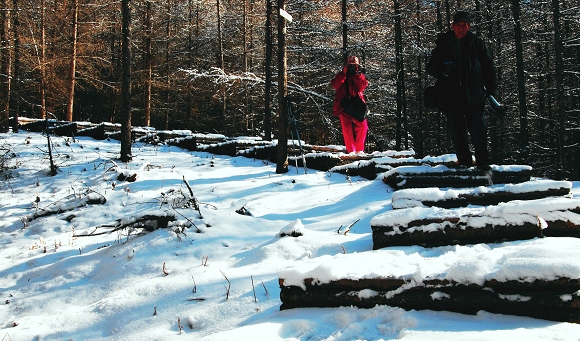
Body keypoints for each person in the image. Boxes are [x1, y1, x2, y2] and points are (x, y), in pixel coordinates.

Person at [426, 11, 497, 170]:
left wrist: (490, 89)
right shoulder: (444, 43)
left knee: (478, 129)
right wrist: (441, 70)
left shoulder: (477, 43)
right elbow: (430, 67)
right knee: (457, 131)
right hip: (451, 94)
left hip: (474, 94)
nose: (461, 28)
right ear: (453, 26)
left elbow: (488, 67)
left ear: (468, 26)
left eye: (464, 25)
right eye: (458, 25)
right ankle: (464, 161)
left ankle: (483, 163)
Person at [331, 55, 369, 154]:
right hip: (344, 106)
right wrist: (344, 73)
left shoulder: (359, 75)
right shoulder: (341, 75)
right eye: (350, 65)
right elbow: (335, 85)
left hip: (356, 106)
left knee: (363, 126)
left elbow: (362, 86)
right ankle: (351, 151)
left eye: (354, 66)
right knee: (346, 129)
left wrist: (356, 75)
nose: (352, 68)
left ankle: (359, 151)